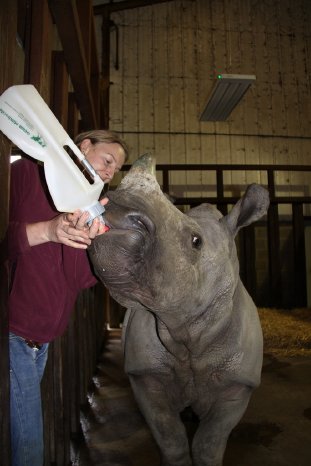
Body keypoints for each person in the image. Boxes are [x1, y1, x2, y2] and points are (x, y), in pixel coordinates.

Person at [8, 129, 129, 466]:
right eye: (107, 161)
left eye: (115, 170)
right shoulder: (26, 173)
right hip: (12, 332)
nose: (109, 172)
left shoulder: (89, 206)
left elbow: (80, 280)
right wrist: (49, 229)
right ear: (84, 145)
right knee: (31, 447)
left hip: (43, 340)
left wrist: (93, 241)